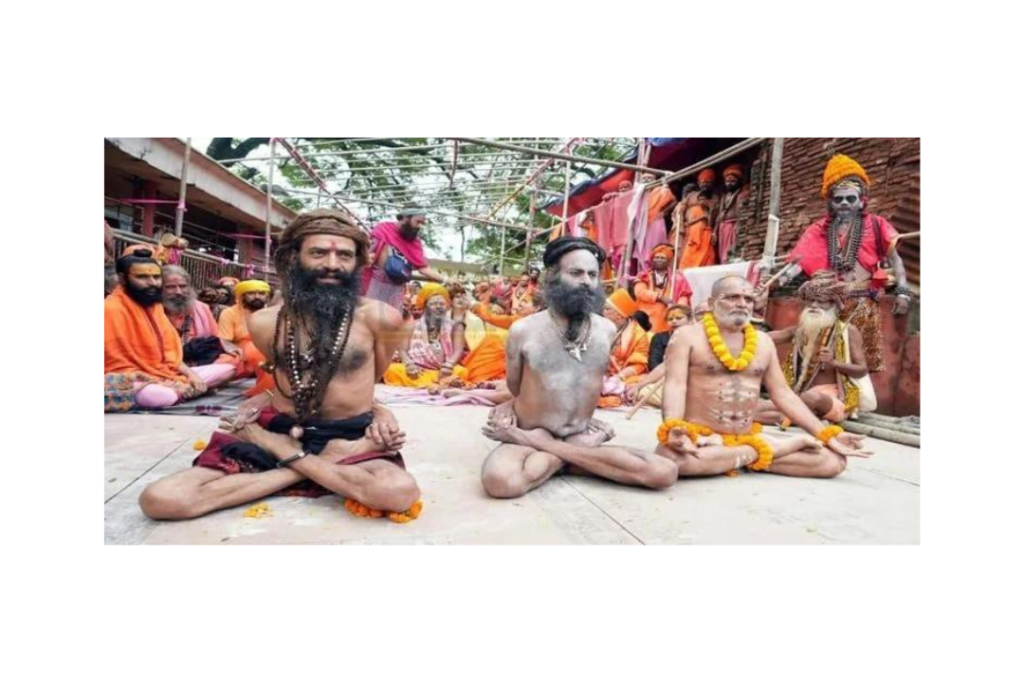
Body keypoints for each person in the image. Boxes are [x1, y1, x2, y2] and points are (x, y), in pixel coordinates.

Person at [139, 208, 419, 520]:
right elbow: (289, 381)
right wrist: (281, 441)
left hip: (351, 437)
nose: (331, 264)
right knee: (161, 500)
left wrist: (381, 413)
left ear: (356, 263)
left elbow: (372, 381)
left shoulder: (383, 317)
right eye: (317, 253)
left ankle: (288, 464)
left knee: (398, 492)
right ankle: (313, 467)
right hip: (282, 431)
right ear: (293, 258)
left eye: (344, 255)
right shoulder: (264, 322)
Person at [480, 237, 678, 498]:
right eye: (576, 272)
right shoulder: (523, 330)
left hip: (577, 434)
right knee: (501, 483)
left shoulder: (606, 330)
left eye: (593, 274)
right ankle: (579, 459)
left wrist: (543, 445)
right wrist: (517, 418)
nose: (586, 281)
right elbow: (515, 387)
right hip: (533, 431)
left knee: (664, 472)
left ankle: (554, 455)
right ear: (553, 276)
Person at [656, 275, 871, 479]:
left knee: (832, 461)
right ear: (712, 303)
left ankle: (736, 456)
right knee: (672, 460)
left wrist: (827, 434)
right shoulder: (687, 336)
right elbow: (675, 386)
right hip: (702, 436)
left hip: (744, 435)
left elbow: (782, 394)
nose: (742, 304)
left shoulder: (762, 342)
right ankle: (766, 451)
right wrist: (674, 427)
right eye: (732, 297)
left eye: (748, 299)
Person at [773, 154, 912, 371]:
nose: (844, 203)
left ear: (861, 200)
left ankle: (853, 402)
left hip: (863, 303)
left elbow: (896, 260)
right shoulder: (819, 229)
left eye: (850, 198)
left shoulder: (877, 224)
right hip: (826, 304)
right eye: (838, 199)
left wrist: (903, 292)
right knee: (818, 356)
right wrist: (779, 280)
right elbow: (800, 261)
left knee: (861, 360)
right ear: (830, 201)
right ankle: (817, 396)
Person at [104, 249, 221, 412]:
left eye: (156, 277)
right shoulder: (110, 309)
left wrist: (190, 375)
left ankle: (184, 388)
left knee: (226, 370)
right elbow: (116, 366)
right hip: (125, 377)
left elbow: (170, 355)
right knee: (161, 396)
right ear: (123, 279)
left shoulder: (155, 307)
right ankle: (182, 391)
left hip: (165, 373)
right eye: (142, 277)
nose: (152, 282)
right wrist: (162, 382)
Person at [757, 272, 869, 425]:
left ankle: (786, 416)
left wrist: (834, 363)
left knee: (810, 398)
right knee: (763, 404)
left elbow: (862, 369)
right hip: (797, 396)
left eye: (821, 301)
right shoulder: (800, 331)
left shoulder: (848, 331)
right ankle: (793, 417)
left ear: (834, 305)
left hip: (832, 399)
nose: (815, 306)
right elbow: (765, 337)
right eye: (811, 301)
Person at [161, 265, 241, 381]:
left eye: (183, 286)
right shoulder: (153, 310)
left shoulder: (202, 308)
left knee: (232, 361)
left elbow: (215, 338)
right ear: (160, 288)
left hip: (196, 361)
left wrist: (228, 346)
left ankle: (186, 382)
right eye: (170, 287)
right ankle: (189, 383)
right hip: (165, 361)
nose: (178, 292)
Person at [383, 283, 470, 387]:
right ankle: (438, 384)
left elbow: (458, 350)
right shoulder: (412, 325)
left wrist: (449, 364)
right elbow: (402, 350)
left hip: (443, 370)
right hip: (419, 369)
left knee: (462, 372)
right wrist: (409, 364)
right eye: (433, 304)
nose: (438, 307)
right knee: (392, 370)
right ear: (425, 307)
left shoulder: (453, 325)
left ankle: (431, 384)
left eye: (442, 304)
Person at [362, 206, 449, 309]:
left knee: (390, 321)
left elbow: (423, 268)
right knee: (365, 315)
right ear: (405, 218)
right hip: (374, 282)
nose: (420, 226)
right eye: (418, 222)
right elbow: (368, 252)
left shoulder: (415, 242)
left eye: (422, 223)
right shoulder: (383, 228)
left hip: (396, 289)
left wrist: (445, 279)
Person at [624, 304, 694, 409]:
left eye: (679, 318)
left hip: (694, 386)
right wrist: (638, 386)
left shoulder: (699, 338)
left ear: (690, 320)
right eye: (670, 319)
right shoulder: (660, 338)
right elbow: (657, 365)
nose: (674, 321)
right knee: (638, 391)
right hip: (666, 381)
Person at [633, 243, 693, 333]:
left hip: (669, 316)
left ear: (668, 261)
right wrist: (659, 297)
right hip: (647, 316)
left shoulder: (677, 277)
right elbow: (640, 292)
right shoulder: (644, 275)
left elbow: (683, 296)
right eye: (656, 257)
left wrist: (677, 308)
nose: (659, 260)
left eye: (662, 258)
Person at [217, 279, 271, 378]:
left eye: (262, 293)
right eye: (251, 293)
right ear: (242, 296)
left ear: (267, 296)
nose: (257, 297)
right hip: (241, 354)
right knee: (224, 366)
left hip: (267, 354)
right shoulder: (229, 313)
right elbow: (225, 341)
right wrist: (235, 350)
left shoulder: (272, 314)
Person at [670, 169, 719, 268]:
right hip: (690, 228)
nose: (706, 185)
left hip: (705, 229)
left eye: (709, 182)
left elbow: (717, 214)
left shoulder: (714, 197)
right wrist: (682, 225)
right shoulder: (691, 195)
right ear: (699, 183)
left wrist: (709, 206)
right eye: (703, 182)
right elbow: (681, 210)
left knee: (706, 253)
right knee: (688, 250)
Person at [715, 164, 749, 263]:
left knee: (732, 248)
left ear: (739, 181)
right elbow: (720, 214)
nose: (729, 184)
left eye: (732, 181)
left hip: (734, 225)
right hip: (723, 226)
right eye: (727, 181)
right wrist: (715, 231)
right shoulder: (725, 196)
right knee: (723, 251)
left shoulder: (741, 193)